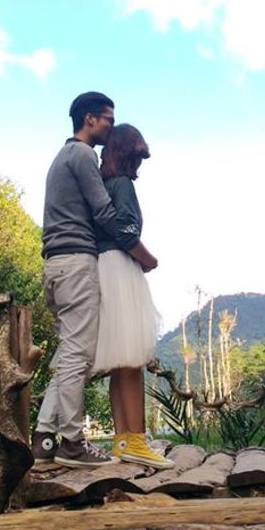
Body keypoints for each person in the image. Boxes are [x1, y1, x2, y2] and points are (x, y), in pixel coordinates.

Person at [32, 92, 158, 468]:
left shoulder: (61, 157)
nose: (109, 127)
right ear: (90, 119)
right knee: (78, 356)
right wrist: (141, 253)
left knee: (70, 352)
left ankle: (43, 439)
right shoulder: (83, 155)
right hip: (75, 260)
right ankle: (72, 442)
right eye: (107, 119)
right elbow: (104, 213)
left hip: (56, 263)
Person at [93, 124, 174, 470]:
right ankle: (138, 441)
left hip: (101, 267)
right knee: (132, 359)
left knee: (119, 362)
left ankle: (122, 439)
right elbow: (126, 232)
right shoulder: (123, 184)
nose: (139, 164)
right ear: (128, 154)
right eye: (138, 156)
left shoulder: (100, 186)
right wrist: (149, 260)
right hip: (121, 269)